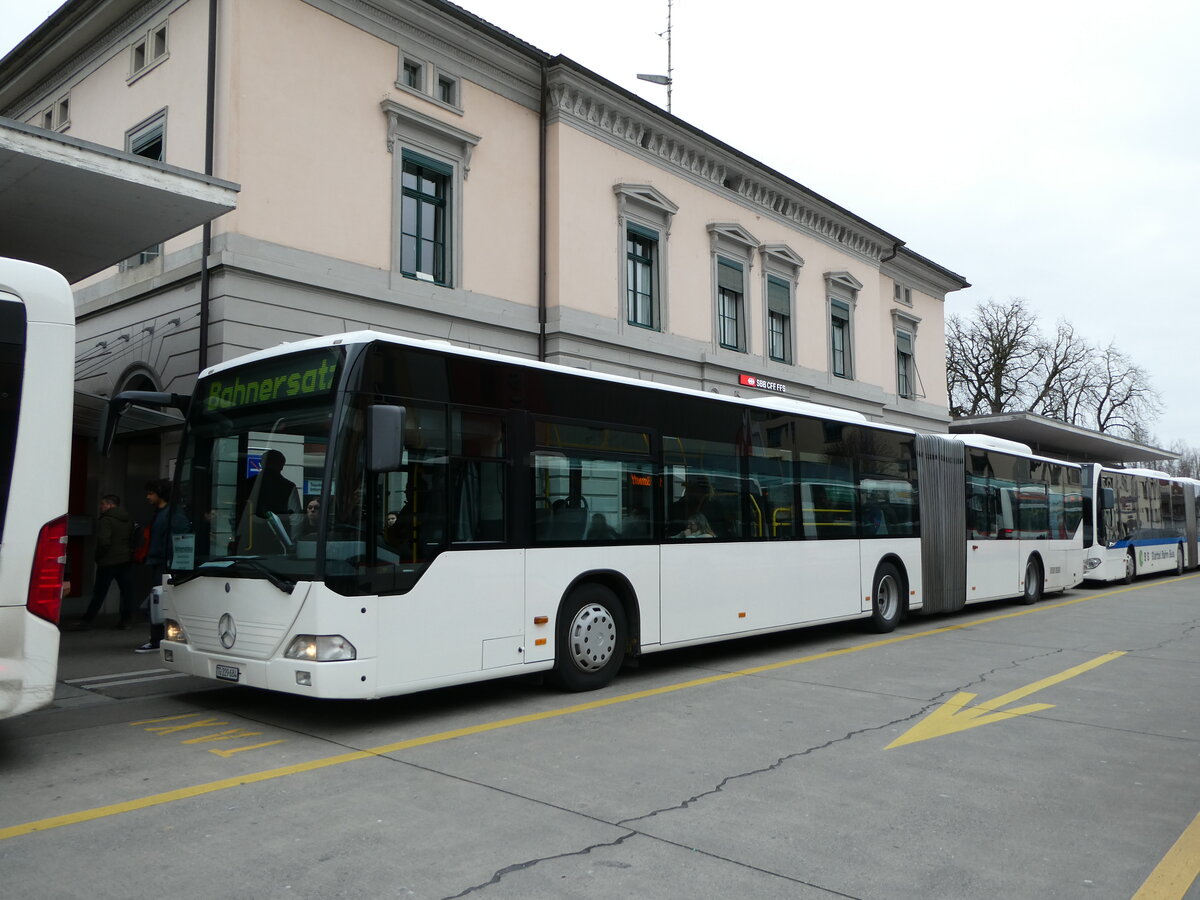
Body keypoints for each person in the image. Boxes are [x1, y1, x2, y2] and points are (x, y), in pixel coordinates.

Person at [73, 494, 136, 629]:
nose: (100, 507)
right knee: (126, 592)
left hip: (108, 561)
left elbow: (103, 541)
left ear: (109, 505)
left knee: (100, 592)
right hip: (124, 560)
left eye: (102, 504)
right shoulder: (127, 519)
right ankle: (126, 621)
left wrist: (98, 556)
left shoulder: (106, 520)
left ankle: (87, 620)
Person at [136, 479, 173, 652]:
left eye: (151, 493)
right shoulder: (161, 513)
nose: (148, 497)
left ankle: (157, 638)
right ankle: (157, 637)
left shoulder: (166, 514)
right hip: (156, 560)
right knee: (156, 600)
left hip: (160, 561)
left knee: (156, 601)